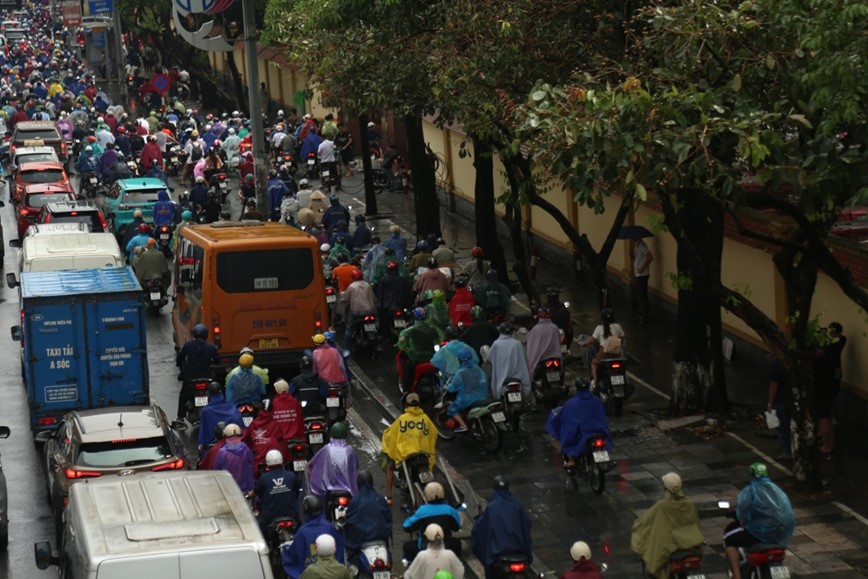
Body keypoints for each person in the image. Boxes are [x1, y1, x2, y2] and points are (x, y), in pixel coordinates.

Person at [724, 463, 796, 579]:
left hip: (759, 533)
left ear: (751, 474)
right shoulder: (777, 490)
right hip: (780, 533)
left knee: (729, 538)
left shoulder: (750, 490)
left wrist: (738, 515)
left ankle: (736, 575)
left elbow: (742, 510)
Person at [631, 473, 703, 579]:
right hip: (691, 545)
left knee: (654, 560)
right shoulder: (690, 504)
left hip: (670, 547)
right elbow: (696, 523)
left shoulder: (662, 506)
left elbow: (645, 520)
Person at [471, 476, 533, 579]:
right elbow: (527, 526)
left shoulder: (492, 508)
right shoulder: (518, 506)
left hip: (497, 557)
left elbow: (479, 530)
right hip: (519, 554)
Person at [380, 393, 438, 503]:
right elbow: (434, 433)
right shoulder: (425, 418)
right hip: (422, 455)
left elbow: (390, 435)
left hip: (405, 455)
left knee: (390, 467)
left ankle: (389, 496)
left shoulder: (402, 419)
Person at [545, 380, 612, 467]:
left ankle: (571, 460)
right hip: (599, 431)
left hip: (582, 434)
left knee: (566, 434)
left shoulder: (572, 403)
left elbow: (564, 418)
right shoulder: (596, 400)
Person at [282, 496, 346, 579]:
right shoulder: (329, 527)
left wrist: (285, 549)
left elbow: (292, 555)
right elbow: (340, 549)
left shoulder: (302, 532)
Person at [174, 324, 221, 430]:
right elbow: (218, 361)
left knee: (183, 395)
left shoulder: (188, 345)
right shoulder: (211, 347)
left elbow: (180, 357)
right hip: (207, 378)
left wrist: (181, 367)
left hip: (191, 379)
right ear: (206, 335)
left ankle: (180, 417)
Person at [402, 482, 462, 560]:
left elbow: (406, 526)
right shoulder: (449, 510)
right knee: (457, 543)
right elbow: (457, 527)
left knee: (407, 546)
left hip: (426, 547)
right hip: (446, 545)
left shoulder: (422, 511)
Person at [344, 471, 392, 562]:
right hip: (381, 538)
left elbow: (349, 521)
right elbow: (388, 519)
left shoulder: (355, 501)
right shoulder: (380, 499)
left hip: (360, 540)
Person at [813, 322, 845, 454]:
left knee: (824, 416)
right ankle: (828, 442)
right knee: (827, 416)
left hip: (821, 389)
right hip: (832, 386)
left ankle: (827, 445)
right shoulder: (837, 347)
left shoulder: (818, 361)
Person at [307, 422, 359, 501]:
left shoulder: (327, 449)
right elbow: (356, 466)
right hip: (349, 490)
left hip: (329, 490)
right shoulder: (349, 450)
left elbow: (312, 463)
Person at [396, 308, 443, 394]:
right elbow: (439, 340)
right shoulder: (433, 329)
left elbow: (401, 344)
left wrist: (405, 348)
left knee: (407, 370)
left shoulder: (410, 331)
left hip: (417, 359)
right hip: (432, 357)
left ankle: (407, 390)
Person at [254, 449, 300, 536]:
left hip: (270, 518)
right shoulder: (291, 476)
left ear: (267, 462)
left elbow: (256, 493)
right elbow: (296, 492)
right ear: (282, 461)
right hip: (292, 515)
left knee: (260, 531)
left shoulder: (264, 478)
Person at [444, 347, 489, 433]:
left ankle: (463, 425)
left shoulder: (460, 372)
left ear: (460, 360)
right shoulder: (477, 368)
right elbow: (483, 380)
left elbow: (452, 388)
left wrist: (446, 387)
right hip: (481, 396)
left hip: (466, 399)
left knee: (451, 408)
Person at [580, 308, 626, 384]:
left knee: (593, 363)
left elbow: (592, 340)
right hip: (616, 354)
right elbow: (622, 338)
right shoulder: (618, 327)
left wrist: (584, 343)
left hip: (604, 354)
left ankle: (594, 381)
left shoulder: (599, 328)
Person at [487, 323, 531, 400]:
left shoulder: (496, 344)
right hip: (518, 377)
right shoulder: (517, 343)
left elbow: (490, 358)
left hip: (502, 380)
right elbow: (524, 357)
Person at [197, 381, 245, 452]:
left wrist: (202, 449)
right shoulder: (232, 407)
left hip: (214, 449)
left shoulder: (206, 411)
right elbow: (242, 429)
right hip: (234, 447)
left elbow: (203, 433)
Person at [242, 402, 285, 472]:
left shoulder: (254, 423)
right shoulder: (275, 423)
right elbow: (281, 438)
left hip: (258, 457)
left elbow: (246, 439)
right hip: (275, 456)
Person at [341, 269, 377, 351]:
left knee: (349, 329)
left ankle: (346, 349)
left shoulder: (351, 286)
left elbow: (346, 299)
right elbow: (373, 298)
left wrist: (341, 300)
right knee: (376, 324)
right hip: (369, 311)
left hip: (356, 312)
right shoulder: (367, 285)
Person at [214, 424, 255, 494]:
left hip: (228, 490)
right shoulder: (246, 449)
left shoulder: (222, 452)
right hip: (245, 490)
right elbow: (251, 468)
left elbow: (216, 471)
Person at [374, 260, 411, 334]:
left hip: (387, 307)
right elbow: (407, 293)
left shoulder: (383, 280)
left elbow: (379, 294)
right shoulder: (402, 280)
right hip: (400, 305)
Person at [526, 307, 563, 379]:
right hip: (556, 357)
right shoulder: (554, 327)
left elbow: (531, 345)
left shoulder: (535, 329)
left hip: (542, 359)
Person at [767, 359, 792, 460]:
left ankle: (787, 451)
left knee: (783, 428)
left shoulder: (777, 365)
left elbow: (774, 386)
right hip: (793, 399)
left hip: (781, 400)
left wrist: (770, 402)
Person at [631, 238, 653, 325]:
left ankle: (644, 317)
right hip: (638, 274)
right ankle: (641, 315)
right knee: (640, 295)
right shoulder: (636, 245)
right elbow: (636, 258)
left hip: (642, 275)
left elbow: (650, 257)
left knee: (642, 296)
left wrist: (642, 268)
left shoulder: (643, 245)